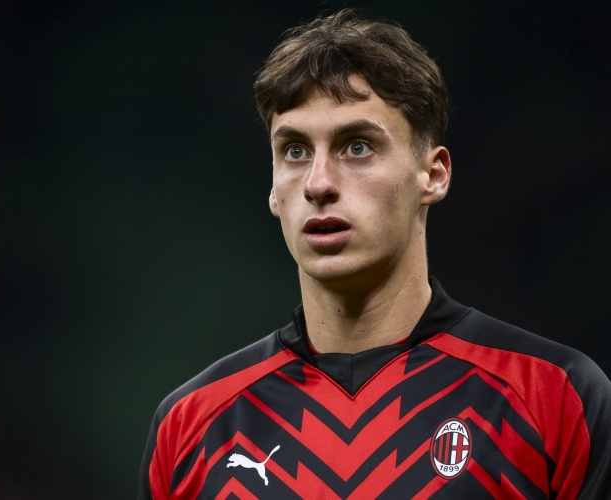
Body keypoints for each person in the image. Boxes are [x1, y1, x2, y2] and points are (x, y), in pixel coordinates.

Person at [138, 9, 611, 499]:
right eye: (295, 151)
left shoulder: (554, 397)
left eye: (357, 146)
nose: (318, 183)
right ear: (274, 190)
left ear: (434, 175)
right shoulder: (191, 426)